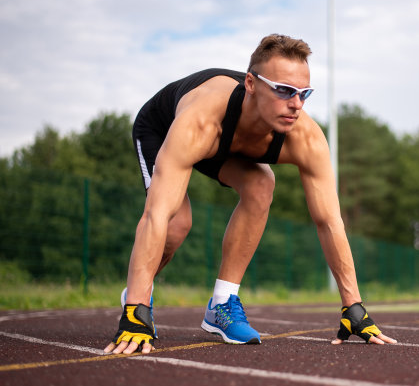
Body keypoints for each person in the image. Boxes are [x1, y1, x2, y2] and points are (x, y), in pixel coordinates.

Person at [104, 34, 397, 355]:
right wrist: (135, 311)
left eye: (304, 94)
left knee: (261, 184)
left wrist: (353, 306)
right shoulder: (197, 123)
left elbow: (329, 221)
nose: (296, 104)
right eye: (284, 90)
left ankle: (222, 303)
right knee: (176, 224)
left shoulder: (306, 138)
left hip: (228, 143)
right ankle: (137, 299)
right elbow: (155, 216)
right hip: (163, 129)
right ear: (251, 84)